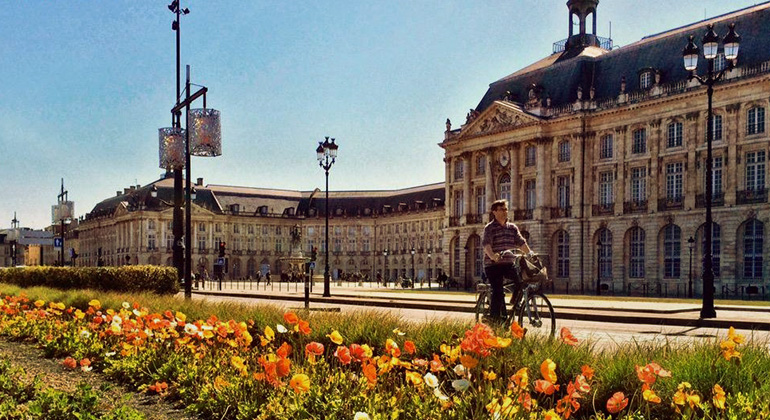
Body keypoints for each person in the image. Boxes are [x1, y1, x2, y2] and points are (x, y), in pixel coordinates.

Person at [482, 199, 533, 323]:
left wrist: (530, 253)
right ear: (494, 212)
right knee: (498, 290)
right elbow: (486, 245)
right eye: (502, 209)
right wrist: (493, 256)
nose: (505, 212)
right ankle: (493, 318)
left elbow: (521, 243)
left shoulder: (512, 227)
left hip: (508, 264)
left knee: (521, 282)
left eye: (506, 209)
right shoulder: (490, 228)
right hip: (492, 265)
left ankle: (514, 302)